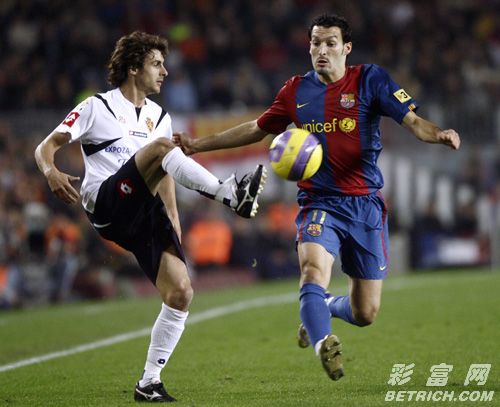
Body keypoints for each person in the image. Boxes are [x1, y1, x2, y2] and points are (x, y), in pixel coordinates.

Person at [174, 14, 461, 381]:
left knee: (365, 313)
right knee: (312, 270)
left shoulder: (370, 79)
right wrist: (197, 145)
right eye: (315, 43)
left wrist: (440, 135)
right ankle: (323, 341)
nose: (321, 50)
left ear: (346, 48)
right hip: (319, 202)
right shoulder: (295, 91)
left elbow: (415, 123)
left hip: (365, 206)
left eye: (330, 43)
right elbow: (256, 129)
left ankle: (321, 308)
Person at [34, 31, 266, 402]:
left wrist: (173, 219)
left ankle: (149, 382)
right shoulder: (96, 106)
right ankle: (229, 193)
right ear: (133, 68)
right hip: (107, 204)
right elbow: (46, 146)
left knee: (181, 292)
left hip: (145, 208)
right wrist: (50, 171)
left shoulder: (160, 116)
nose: (165, 72)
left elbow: (166, 172)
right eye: (157, 64)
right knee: (161, 147)